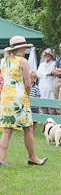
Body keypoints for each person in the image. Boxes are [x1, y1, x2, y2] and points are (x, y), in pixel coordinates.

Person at [0, 36, 47, 166]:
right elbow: (28, 83)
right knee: (27, 128)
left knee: (6, 130)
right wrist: (26, 95)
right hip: (19, 97)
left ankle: (2, 159)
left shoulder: (3, 61)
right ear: (20, 48)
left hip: (5, 97)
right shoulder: (22, 61)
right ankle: (32, 158)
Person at [36, 48, 56, 114]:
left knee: (51, 106)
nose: (47, 57)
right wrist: (46, 74)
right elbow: (38, 74)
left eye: (49, 55)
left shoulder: (54, 63)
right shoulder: (42, 65)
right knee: (42, 105)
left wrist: (46, 74)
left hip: (50, 85)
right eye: (46, 55)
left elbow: (50, 72)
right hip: (42, 86)